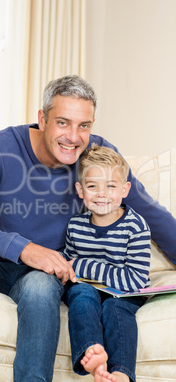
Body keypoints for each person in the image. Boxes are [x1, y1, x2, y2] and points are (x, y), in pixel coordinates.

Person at [0, 75, 176, 382]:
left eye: (84, 125)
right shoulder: (1, 148)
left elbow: (149, 212)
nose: (74, 136)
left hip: (45, 275)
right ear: (42, 119)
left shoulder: (97, 156)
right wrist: (24, 248)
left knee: (41, 289)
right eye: (63, 122)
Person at [62, 145, 151, 382]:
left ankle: (121, 372)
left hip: (124, 294)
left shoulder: (136, 226)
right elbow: (70, 274)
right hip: (89, 289)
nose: (102, 194)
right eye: (93, 186)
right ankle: (93, 352)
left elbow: (135, 280)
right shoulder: (75, 226)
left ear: (125, 189)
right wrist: (72, 270)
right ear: (80, 190)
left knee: (114, 308)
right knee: (80, 293)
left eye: (111, 186)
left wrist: (82, 266)